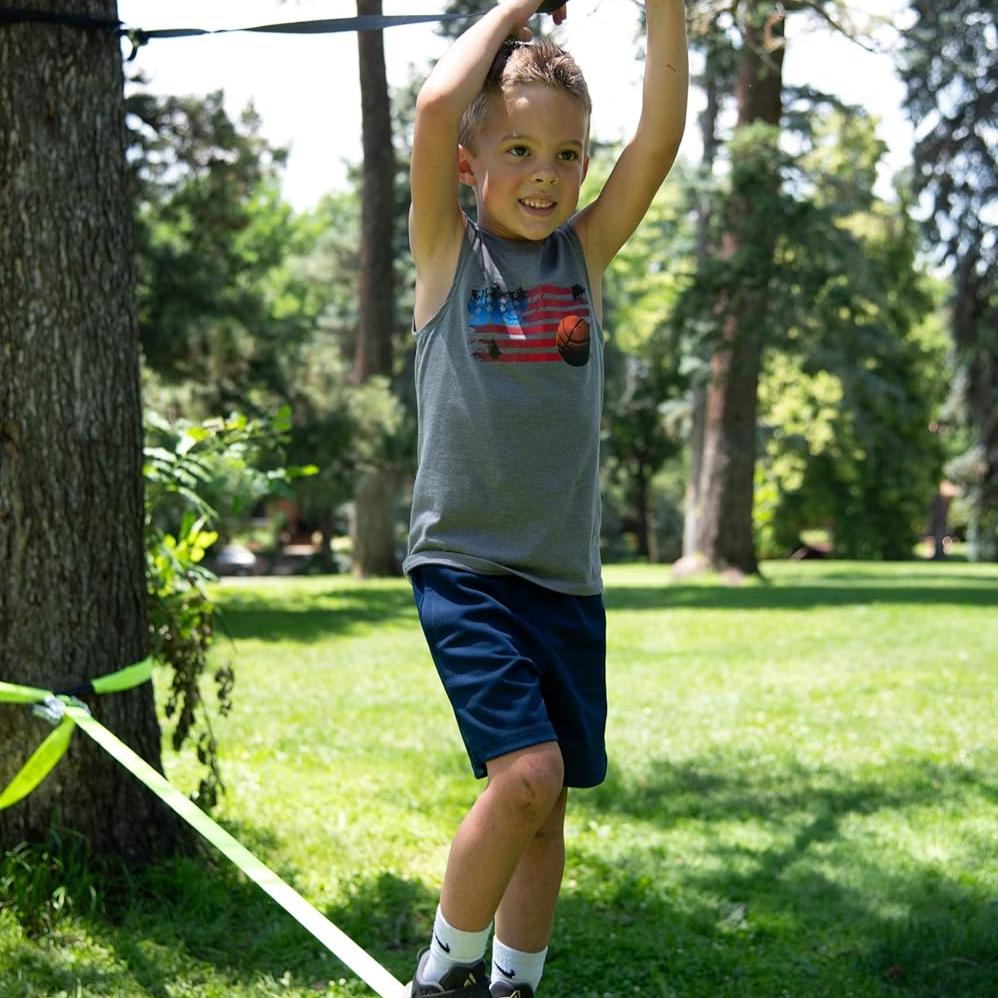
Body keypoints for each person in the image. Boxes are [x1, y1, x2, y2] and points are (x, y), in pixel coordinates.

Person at [403, 2, 688, 995]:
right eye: (517, 147)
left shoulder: (584, 259)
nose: (545, 172)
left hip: (563, 581)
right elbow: (440, 104)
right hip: (467, 570)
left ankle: (514, 982)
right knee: (522, 777)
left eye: (566, 155)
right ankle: (445, 969)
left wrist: (662, 9)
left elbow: (660, 136)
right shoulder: (448, 255)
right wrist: (517, 4)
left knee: (548, 803)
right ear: (471, 166)